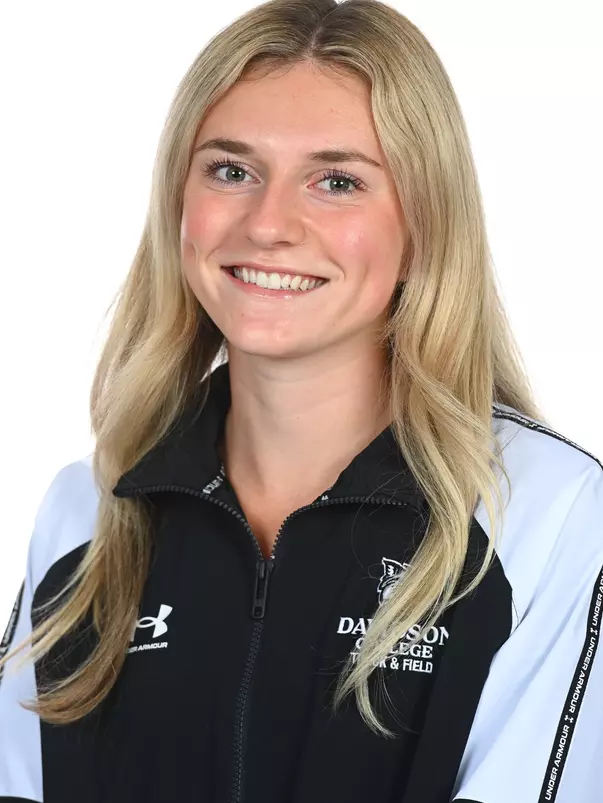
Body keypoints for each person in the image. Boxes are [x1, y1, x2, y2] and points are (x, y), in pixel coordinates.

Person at [1, 0, 601, 800]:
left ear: (425, 222)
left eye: (337, 180)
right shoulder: (89, 512)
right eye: (231, 170)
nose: (269, 223)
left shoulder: (544, 513)